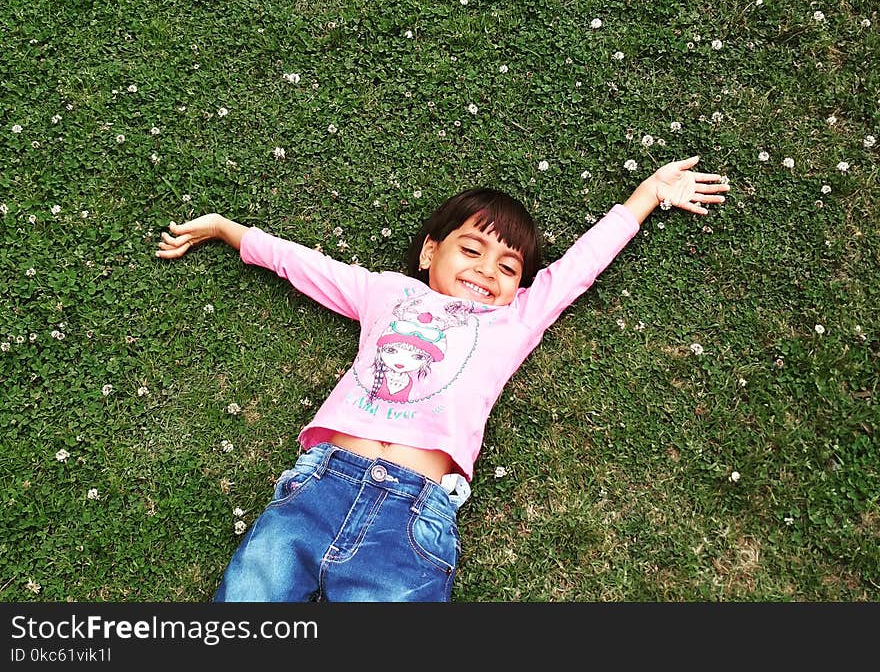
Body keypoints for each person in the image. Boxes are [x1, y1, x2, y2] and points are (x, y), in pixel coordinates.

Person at [155, 155, 729, 601]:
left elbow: (581, 264)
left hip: (413, 514)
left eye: (508, 267)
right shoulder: (388, 292)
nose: (487, 269)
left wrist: (647, 195)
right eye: (471, 249)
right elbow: (306, 265)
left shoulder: (516, 319)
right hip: (318, 489)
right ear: (430, 252)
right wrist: (228, 230)